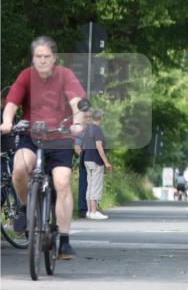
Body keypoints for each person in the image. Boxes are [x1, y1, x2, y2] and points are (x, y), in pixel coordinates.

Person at [0, 36, 87, 260]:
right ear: (33, 58)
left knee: (62, 182)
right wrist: (7, 121)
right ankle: (24, 209)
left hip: (60, 137)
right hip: (31, 135)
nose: (42, 60)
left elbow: (77, 102)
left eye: (47, 56)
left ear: (54, 58)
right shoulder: (26, 76)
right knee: (19, 169)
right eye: (38, 56)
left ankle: (64, 242)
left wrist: (78, 123)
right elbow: (11, 103)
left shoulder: (65, 76)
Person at [81, 109, 112, 219]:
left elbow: (83, 146)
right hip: (96, 160)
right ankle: (94, 211)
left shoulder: (87, 129)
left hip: (87, 159)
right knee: (96, 185)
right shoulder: (97, 130)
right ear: (101, 118)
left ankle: (89, 211)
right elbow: (99, 147)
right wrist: (106, 162)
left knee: (90, 185)